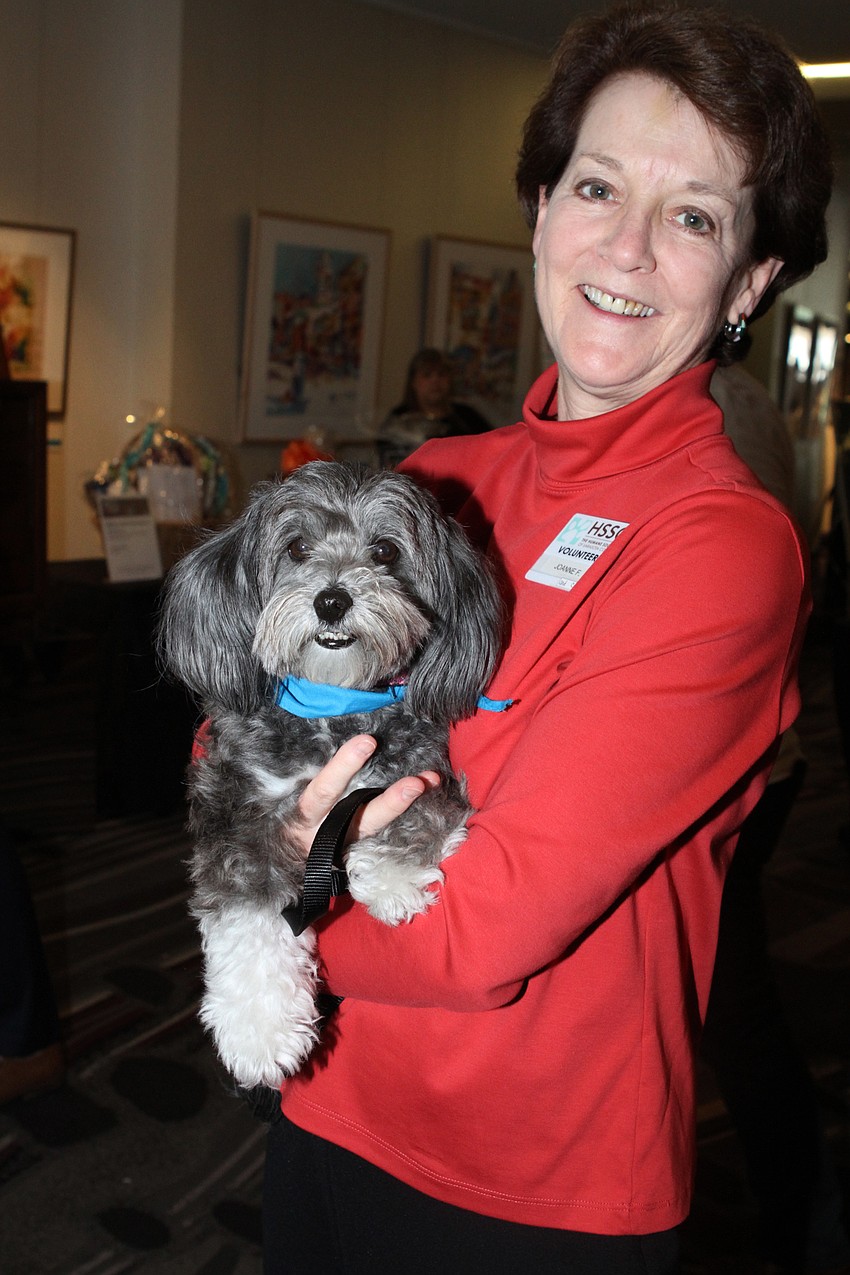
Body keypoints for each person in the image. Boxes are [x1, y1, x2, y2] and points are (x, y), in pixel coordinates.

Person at [260, 5, 834, 1270]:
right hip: (327, 1087)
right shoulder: (437, 475)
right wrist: (276, 843)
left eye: (692, 215)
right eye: (596, 186)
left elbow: (479, 934)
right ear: (539, 210)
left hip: (531, 1177)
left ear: (745, 284)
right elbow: (239, 718)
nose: (625, 246)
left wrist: (259, 900)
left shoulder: (723, 546)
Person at [703, 364, 850, 1274]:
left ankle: (802, 1214)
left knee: (731, 1009)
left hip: (740, 767)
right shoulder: (747, 398)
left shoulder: (716, 409)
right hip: (761, 752)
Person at [376, 347, 491, 468]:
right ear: (414, 382)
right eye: (427, 375)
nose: (435, 381)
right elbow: (387, 456)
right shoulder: (399, 418)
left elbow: (489, 447)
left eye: (441, 374)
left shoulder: (467, 416)